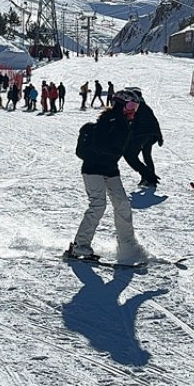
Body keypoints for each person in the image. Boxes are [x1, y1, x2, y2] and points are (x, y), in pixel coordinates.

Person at [66, 89, 149, 264]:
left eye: (136, 106)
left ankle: (128, 246)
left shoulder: (124, 123)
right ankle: (80, 246)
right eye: (131, 105)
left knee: (123, 204)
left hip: (110, 169)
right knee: (98, 205)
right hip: (93, 168)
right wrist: (111, 150)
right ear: (120, 104)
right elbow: (99, 144)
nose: (133, 110)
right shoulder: (110, 119)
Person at [122, 88, 163, 187]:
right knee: (147, 156)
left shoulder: (136, 107)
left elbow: (131, 122)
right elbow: (154, 121)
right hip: (150, 135)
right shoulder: (145, 106)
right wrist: (159, 136)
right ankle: (149, 179)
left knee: (131, 155)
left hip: (142, 135)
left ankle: (148, 177)